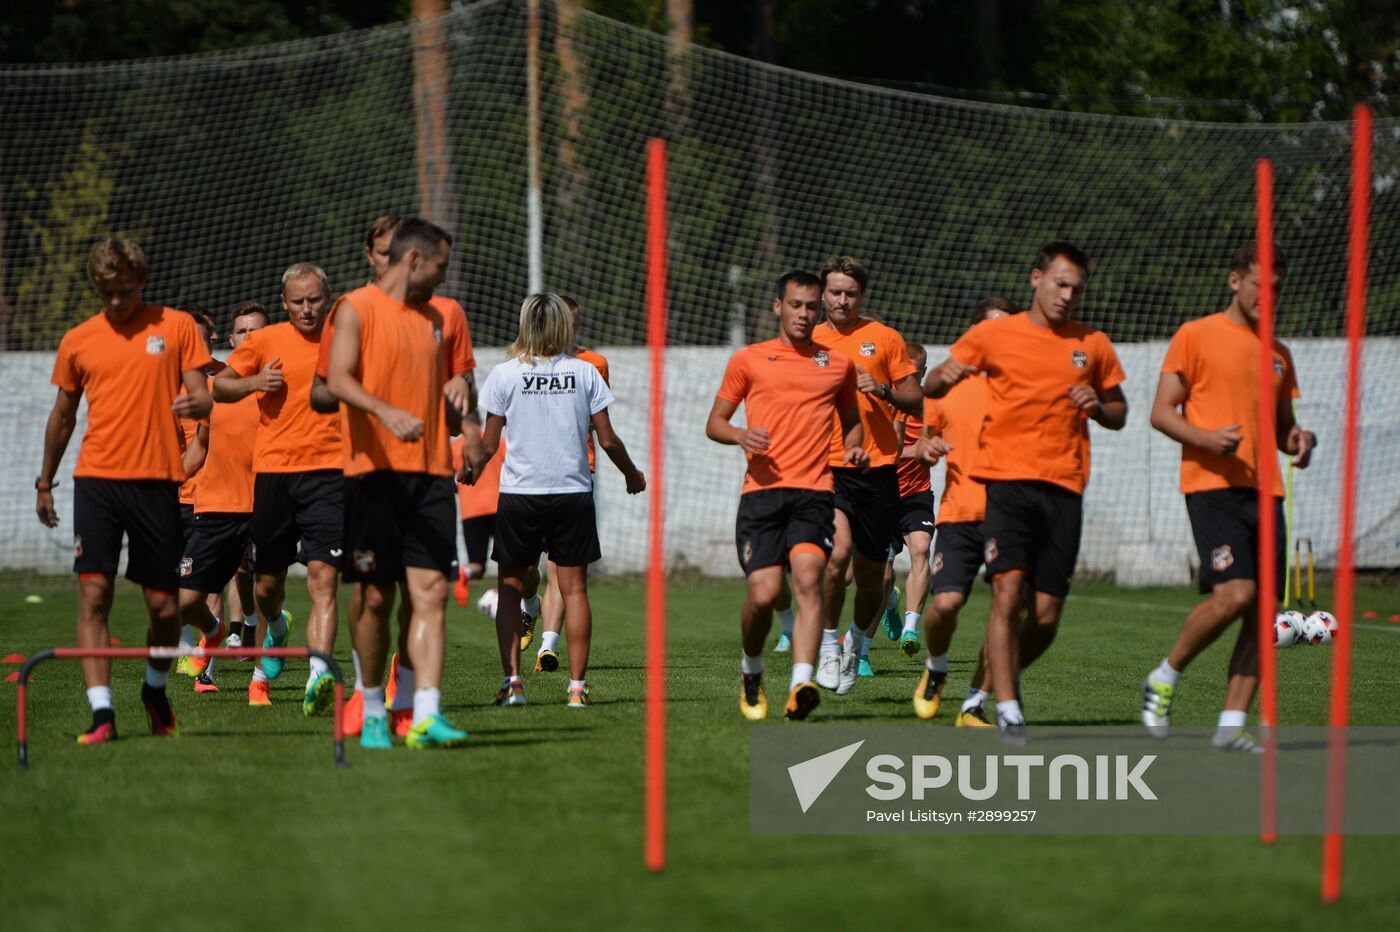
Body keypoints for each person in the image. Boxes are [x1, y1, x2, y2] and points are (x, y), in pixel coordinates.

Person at [924, 243, 1127, 740]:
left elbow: (1120, 412)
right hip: (1006, 484)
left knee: (1045, 616)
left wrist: (1098, 406)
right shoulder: (994, 334)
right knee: (1006, 596)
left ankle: (983, 692)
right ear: (1036, 278)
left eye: (1077, 288)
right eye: (1060, 283)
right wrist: (941, 376)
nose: (1067, 295)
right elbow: (929, 385)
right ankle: (1008, 707)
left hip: (1063, 489)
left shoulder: (1093, 344)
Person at [1141, 242, 1316, 751]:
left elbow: (1286, 431)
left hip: (1269, 491)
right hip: (1213, 486)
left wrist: (1299, 442)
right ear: (1235, 281)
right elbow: (1161, 411)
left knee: (1263, 613)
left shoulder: (1280, 354)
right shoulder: (1195, 335)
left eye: (1278, 289)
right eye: (1262, 286)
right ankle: (1165, 676)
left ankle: (1230, 727)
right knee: (1235, 595)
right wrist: (1206, 438)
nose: (1270, 296)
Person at [36, 238, 212, 743]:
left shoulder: (175, 325)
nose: (119, 302)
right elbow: (64, 415)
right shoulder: (79, 339)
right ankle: (102, 714)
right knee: (94, 591)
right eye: (109, 293)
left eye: (128, 291)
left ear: (142, 282)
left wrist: (196, 406)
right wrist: (44, 482)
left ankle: (154, 689)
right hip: (97, 481)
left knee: (162, 607)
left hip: (157, 481)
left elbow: (202, 395)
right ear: (98, 288)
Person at [313, 214, 478, 737]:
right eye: (439, 266)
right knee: (375, 598)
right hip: (373, 473)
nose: (443, 277)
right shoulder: (354, 308)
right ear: (413, 260)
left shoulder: (436, 319)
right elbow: (336, 380)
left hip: (430, 474)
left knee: (429, 592)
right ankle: (372, 709)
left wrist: (464, 420)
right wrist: (384, 412)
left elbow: (442, 400)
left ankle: (425, 712)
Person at [707, 270, 865, 721]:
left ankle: (801, 684)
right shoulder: (749, 360)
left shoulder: (836, 364)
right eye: (796, 305)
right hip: (762, 495)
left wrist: (853, 447)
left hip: (815, 492)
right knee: (764, 593)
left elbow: (852, 419)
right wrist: (739, 434)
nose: (804, 314)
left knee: (810, 579)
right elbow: (714, 423)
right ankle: (751, 671)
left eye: (812, 307)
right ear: (778, 306)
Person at [479, 293, 645, 709]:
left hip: (520, 495)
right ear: (563, 325)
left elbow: (486, 444)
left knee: (511, 589)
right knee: (574, 591)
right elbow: (606, 439)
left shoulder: (504, 374)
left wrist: (468, 469)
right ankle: (576, 689)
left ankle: (513, 684)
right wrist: (631, 473)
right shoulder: (585, 373)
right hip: (572, 494)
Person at [216, 264, 343, 715]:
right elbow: (220, 386)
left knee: (324, 577)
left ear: (328, 296)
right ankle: (274, 626)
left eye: (314, 300)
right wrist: (255, 383)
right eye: (297, 301)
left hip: (331, 473)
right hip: (273, 475)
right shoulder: (265, 340)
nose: (307, 309)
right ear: (284, 302)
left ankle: (319, 674)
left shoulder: (345, 338)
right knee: (266, 586)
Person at [810, 256, 921, 697]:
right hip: (826, 466)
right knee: (835, 557)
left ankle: (857, 642)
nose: (841, 300)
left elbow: (918, 401)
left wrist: (886, 390)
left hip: (877, 470)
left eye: (850, 293)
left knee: (874, 578)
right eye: (835, 292)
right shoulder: (808, 338)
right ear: (823, 294)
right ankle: (827, 646)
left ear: (862, 296)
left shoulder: (885, 339)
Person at [911, 297, 1014, 724]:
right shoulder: (945, 383)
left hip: (1012, 515)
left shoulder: (1023, 382)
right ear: (973, 334)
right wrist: (926, 449)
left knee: (1006, 612)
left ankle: (975, 702)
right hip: (959, 513)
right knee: (947, 603)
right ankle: (936, 667)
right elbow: (920, 445)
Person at [179, 301, 270, 693]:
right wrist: (169, 479)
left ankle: (257, 679)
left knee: (264, 588)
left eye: (257, 331)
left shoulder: (278, 390)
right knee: (188, 600)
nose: (249, 338)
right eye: (243, 331)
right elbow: (199, 447)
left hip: (264, 505)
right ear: (232, 340)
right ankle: (214, 633)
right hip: (213, 506)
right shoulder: (213, 390)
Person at [526, 293, 611, 672]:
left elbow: (599, 423)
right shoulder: (522, 365)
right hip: (528, 482)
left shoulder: (593, 365)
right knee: (527, 567)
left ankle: (549, 646)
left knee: (563, 569)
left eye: (572, 320)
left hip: (576, 476)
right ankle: (530, 607)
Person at [885, 340, 936, 658]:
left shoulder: (931, 405)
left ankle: (910, 629)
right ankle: (890, 601)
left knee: (921, 549)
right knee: (882, 575)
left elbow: (929, 451)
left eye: (915, 376)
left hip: (917, 493)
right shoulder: (882, 401)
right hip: (884, 496)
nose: (909, 382)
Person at [452, 416, 501, 607]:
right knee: (508, 561)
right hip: (498, 506)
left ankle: (465, 573)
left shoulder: (455, 447)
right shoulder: (495, 443)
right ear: (481, 422)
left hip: (470, 511)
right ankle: (506, 596)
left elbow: (451, 476)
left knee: (477, 565)